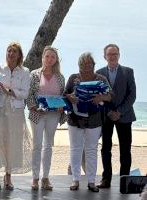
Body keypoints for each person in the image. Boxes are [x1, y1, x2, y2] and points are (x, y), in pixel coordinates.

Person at [64, 52, 111, 192]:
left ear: (93, 64)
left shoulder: (101, 78)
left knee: (91, 150)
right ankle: (75, 180)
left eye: (89, 63)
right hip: (75, 119)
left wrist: (100, 98)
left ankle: (91, 182)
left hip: (94, 119)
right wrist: (70, 97)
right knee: (75, 149)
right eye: (83, 64)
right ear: (79, 65)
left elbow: (110, 95)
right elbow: (64, 94)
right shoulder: (73, 78)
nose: (86, 66)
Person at [0, 42, 31, 191]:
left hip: (16, 111)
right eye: (9, 51)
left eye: (14, 52)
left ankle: (8, 177)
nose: (11, 54)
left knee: (13, 143)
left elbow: (25, 93)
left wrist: (11, 91)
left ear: (19, 55)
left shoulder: (25, 71)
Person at [96, 44, 136, 188]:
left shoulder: (128, 72)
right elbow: (98, 96)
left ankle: (124, 180)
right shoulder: (99, 73)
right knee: (105, 148)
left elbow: (132, 95)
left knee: (125, 150)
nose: (112, 56)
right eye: (109, 54)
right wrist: (109, 112)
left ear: (119, 55)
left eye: (115, 54)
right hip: (106, 116)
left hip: (124, 116)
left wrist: (119, 112)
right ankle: (106, 179)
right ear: (104, 56)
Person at [26, 46, 66, 190]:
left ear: (56, 60)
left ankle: (45, 178)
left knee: (48, 146)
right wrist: (32, 106)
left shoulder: (61, 77)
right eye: (47, 56)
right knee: (37, 145)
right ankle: (35, 178)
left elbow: (63, 96)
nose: (49, 59)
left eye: (52, 57)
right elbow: (28, 93)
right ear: (43, 57)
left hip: (53, 115)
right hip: (37, 113)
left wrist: (62, 106)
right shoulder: (34, 74)